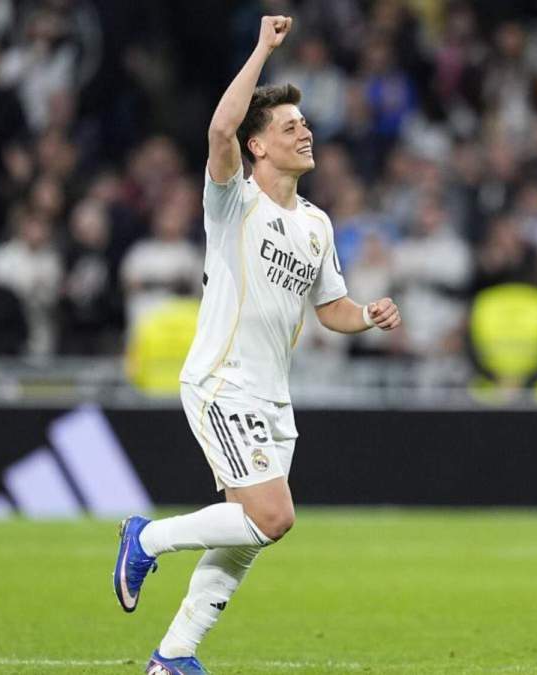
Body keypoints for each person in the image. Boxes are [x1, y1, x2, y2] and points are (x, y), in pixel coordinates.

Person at [111, 17, 401, 675]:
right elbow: (217, 131)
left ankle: (173, 656)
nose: (305, 131)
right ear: (258, 148)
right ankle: (146, 536)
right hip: (223, 379)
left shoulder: (317, 225)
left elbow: (331, 309)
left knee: (245, 540)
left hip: (273, 397)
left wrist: (369, 314)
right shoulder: (233, 201)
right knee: (273, 516)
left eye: (306, 123)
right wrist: (263, 49)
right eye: (289, 126)